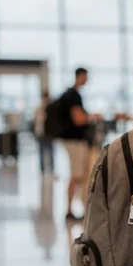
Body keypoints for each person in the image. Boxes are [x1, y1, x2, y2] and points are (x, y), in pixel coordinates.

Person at [56, 67, 95, 221]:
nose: (87, 80)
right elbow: (79, 119)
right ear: (80, 76)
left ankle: (72, 209)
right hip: (75, 141)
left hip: (72, 140)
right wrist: (92, 116)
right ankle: (71, 209)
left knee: (77, 175)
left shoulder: (69, 95)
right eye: (86, 77)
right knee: (77, 175)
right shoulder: (73, 96)